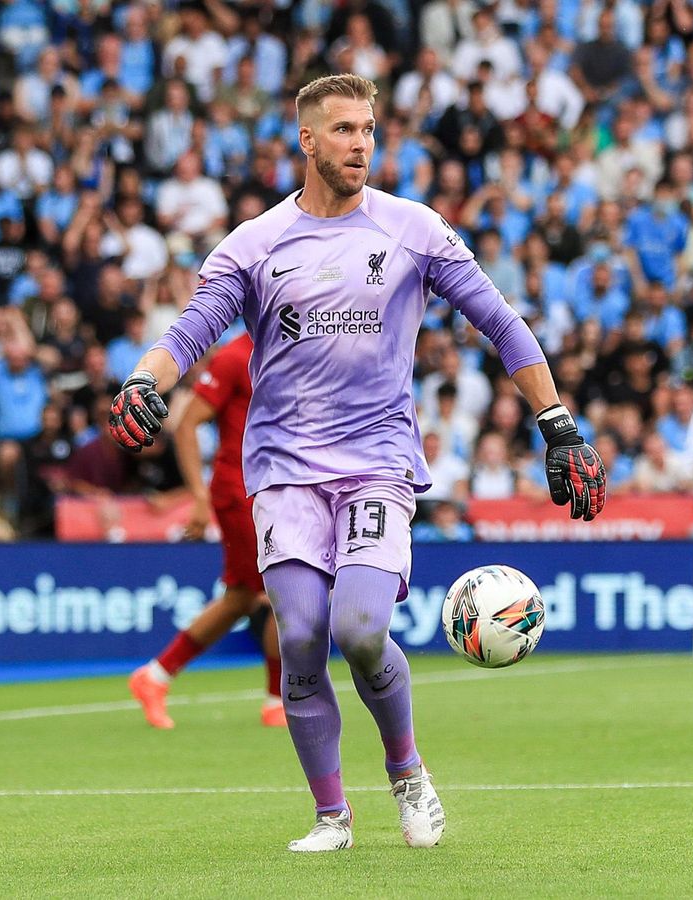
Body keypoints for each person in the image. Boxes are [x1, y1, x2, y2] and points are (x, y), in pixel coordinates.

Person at [105, 75, 607, 852]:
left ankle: (407, 773)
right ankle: (331, 817)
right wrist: (144, 380)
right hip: (284, 471)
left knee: (361, 627)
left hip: (376, 461)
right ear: (306, 140)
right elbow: (192, 330)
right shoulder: (255, 242)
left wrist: (558, 425)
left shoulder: (414, 228)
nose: (360, 144)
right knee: (302, 635)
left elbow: (501, 322)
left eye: (368, 129)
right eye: (343, 129)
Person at [128, 332, 285, 730]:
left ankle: (155, 676)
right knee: (281, 591)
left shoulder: (291, 347)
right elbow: (186, 425)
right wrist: (198, 495)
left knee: (241, 598)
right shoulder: (235, 356)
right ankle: (276, 702)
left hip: (274, 489)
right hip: (240, 491)